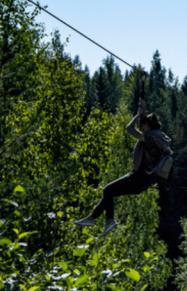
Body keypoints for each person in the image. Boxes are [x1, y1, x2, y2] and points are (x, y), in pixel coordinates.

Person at [73, 100, 171, 235]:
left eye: (143, 124)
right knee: (110, 193)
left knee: (107, 190)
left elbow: (129, 129)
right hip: (144, 180)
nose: (141, 126)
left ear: (148, 126)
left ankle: (109, 221)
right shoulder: (159, 138)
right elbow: (144, 129)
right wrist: (144, 110)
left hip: (138, 177)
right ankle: (92, 218)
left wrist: (137, 115)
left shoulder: (149, 139)